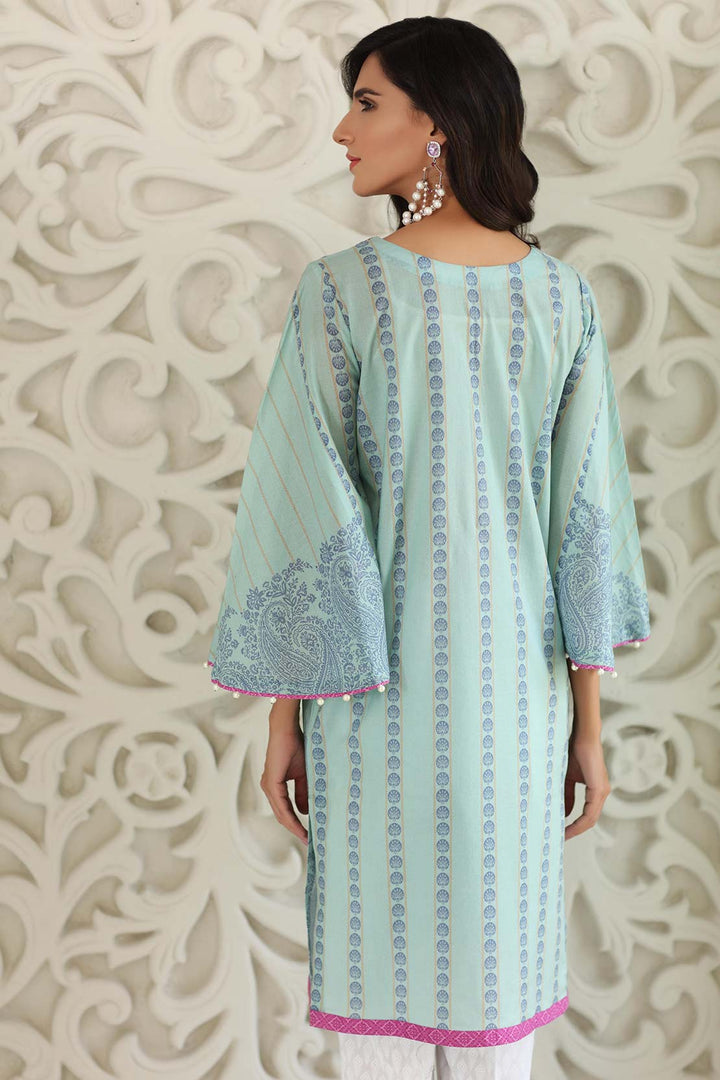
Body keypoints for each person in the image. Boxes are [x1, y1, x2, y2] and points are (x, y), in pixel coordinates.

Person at [204, 15, 651, 1079]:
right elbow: (585, 527)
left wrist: (287, 719)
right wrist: (588, 728)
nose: (341, 132)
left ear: (438, 123)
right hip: (517, 704)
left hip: (372, 701)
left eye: (366, 104)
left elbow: (310, 519)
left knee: (380, 1017)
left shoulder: (342, 291)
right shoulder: (561, 298)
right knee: (500, 1009)